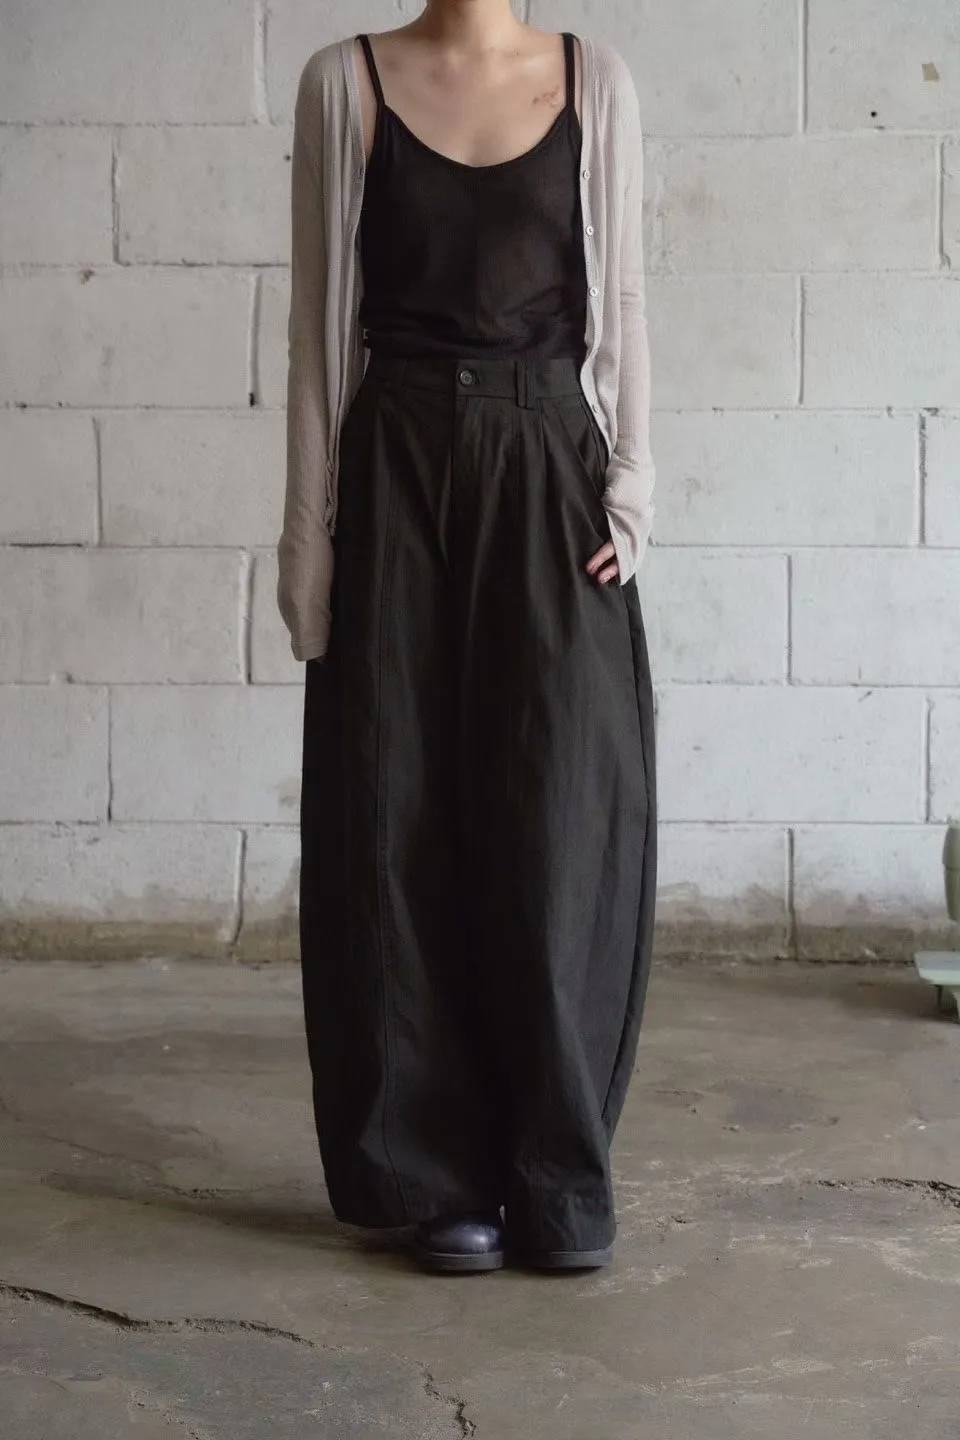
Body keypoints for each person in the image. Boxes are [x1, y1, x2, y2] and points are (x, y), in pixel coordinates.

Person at [278, 0, 658, 1275]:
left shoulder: (593, 81)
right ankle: (437, 1177)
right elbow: (317, 328)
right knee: (398, 813)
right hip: (396, 463)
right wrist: (309, 541)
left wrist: (632, 491)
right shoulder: (345, 84)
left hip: (550, 464)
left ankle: (557, 1173)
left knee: (561, 818)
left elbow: (624, 294)